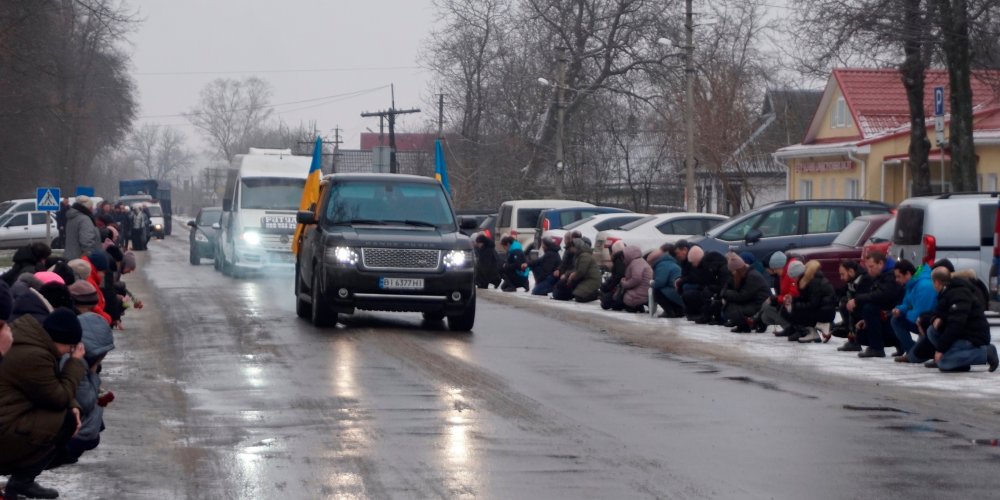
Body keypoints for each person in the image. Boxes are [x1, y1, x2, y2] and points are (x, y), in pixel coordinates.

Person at [0, 308, 87, 500]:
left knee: (68, 416)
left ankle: (21, 481)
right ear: (60, 340)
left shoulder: (32, 342)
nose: (70, 352)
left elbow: (47, 388)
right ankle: (22, 480)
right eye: (70, 347)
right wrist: (75, 363)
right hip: (4, 429)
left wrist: (73, 404)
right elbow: (58, 399)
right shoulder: (34, 356)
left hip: (10, 416)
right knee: (67, 421)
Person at [925, 267, 998, 372]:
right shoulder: (946, 292)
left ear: (936, 282)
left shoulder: (959, 293)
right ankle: (959, 362)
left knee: (943, 363)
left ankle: (985, 353)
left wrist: (941, 349)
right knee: (932, 331)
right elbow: (938, 312)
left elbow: (956, 324)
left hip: (973, 336)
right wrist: (936, 319)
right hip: (962, 334)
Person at [848, 251, 903, 358]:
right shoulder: (882, 275)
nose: (869, 270)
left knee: (869, 308)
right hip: (889, 310)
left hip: (895, 311)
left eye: (871, 266)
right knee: (862, 331)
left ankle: (877, 348)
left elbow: (882, 295)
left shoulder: (891, 275)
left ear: (880, 263)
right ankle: (898, 343)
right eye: (867, 267)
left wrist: (857, 300)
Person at [890, 260, 938, 362]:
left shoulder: (924, 286)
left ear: (907, 274)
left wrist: (903, 312)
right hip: (923, 319)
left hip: (928, 322)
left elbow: (921, 314)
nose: (896, 280)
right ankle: (913, 351)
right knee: (896, 318)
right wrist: (899, 309)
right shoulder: (912, 283)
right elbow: (908, 304)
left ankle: (916, 353)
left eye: (898, 276)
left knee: (896, 321)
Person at [784, 260, 837, 342]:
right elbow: (807, 299)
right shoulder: (809, 279)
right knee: (790, 309)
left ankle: (822, 325)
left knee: (794, 311)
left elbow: (812, 303)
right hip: (823, 310)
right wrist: (793, 300)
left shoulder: (813, 281)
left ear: (799, 275)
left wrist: (794, 305)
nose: (794, 280)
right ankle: (813, 332)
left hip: (826, 313)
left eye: (794, 277)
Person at [722, 252, 771, 333]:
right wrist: (726, 291)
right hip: (753, 302)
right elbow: (730, 286)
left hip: (760, 305)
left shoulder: (751, 276)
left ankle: (745, 326)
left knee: (731, 307)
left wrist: (726, 293)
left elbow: (742, 296)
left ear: (737, 270)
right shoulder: (745, 274)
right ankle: (744, 324)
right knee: (730, 304)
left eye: (733, 272)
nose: (732, 274)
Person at [679, 246, 730, 324]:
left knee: (704, 294)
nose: (693, 265)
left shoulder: (713, 267)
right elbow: (700, 279)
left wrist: (709, 288)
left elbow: (723, 285)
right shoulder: (707, 266)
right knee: (690, 293)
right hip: (714, 291)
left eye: (693, 262)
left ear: (696, 260)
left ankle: (708, 316)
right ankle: (702, 315)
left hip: (719, 293)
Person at [758, 251, 801, 335]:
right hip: (789, 303)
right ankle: (757, 320)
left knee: (768, 308)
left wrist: (777, 299)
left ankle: (790, 328)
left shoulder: (791, 271)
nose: (774, 271)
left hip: (795, 304)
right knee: (765, 315)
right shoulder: (783, 273)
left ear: (779, 265)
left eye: (775, 269)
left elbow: (794, 294)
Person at [552, 238, 601, 303]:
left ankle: (597, 294)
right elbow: (576, 270)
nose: (570, 250)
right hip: (585, 278)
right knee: (567, 288)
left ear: (575, 246)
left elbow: (581, 271)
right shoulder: (579, 255)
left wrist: (570, 277)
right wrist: (568, 275)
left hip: (592, 280)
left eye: (571, 248)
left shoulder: (585, 256)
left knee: (579, 296)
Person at [606, 245, 652, 313]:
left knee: (623, 300)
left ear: (629, 255)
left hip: (640, 293)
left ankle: (636, 306)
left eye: (624, 255)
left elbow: (636, 279)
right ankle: (638, 306)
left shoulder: (636, 263)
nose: (623, 258)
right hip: (644, 290)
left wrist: (624, 283)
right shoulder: (639, 262)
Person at [649, 243, 685, 318]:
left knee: (657, 291)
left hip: (676, 292)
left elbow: (660, 282)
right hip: (679, 294)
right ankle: (677, 311)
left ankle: (669, 311)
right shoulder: (671, 263)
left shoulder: (663, 264)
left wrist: (651, 283)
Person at [62, 195, 100, 261]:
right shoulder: (84, 220)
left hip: (70, 256)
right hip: (81, 260)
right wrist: (92, 257)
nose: (92, 209)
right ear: (87, 208)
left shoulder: (72, 218)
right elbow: (87, 241)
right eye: (91, 207)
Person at [599, 241, 629, 310]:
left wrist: (606, 287)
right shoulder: (624, 258)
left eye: (611, 252)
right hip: (625, 288)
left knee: (605, 303)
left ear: (614, 252)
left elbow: (617, 277)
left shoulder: (618, 260)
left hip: (623, 288)